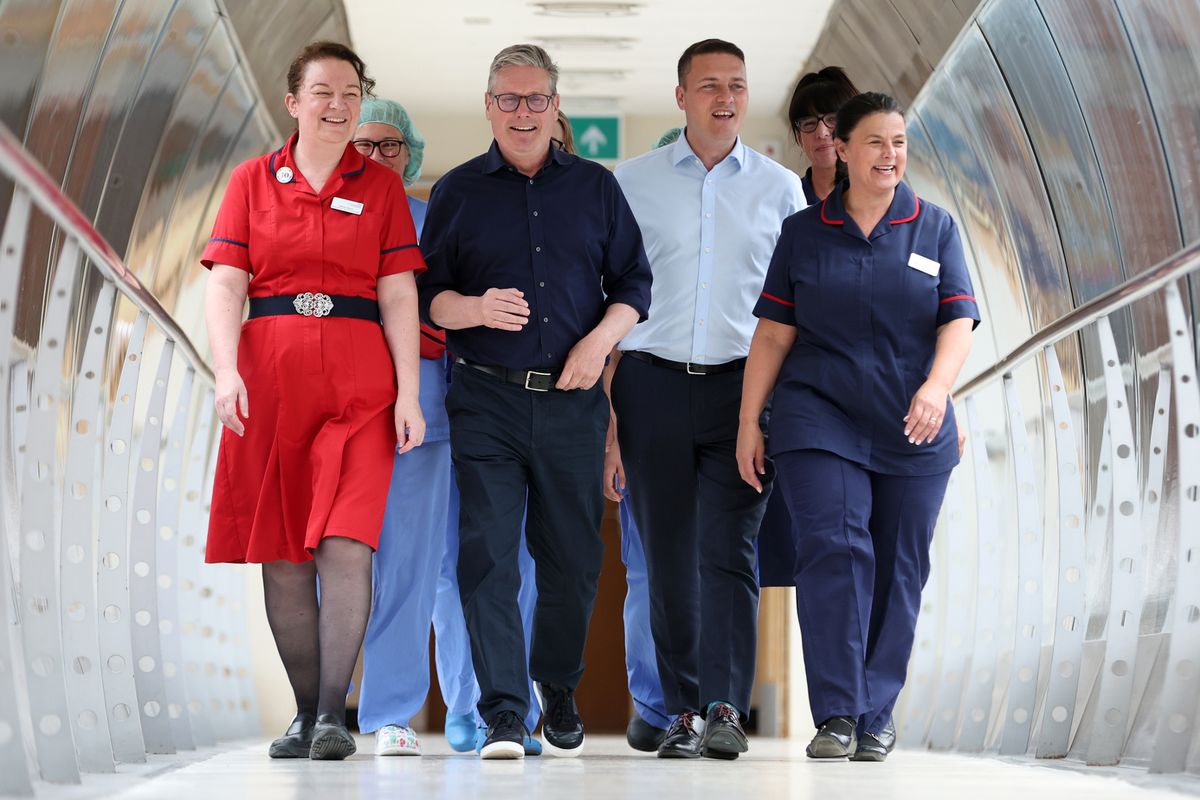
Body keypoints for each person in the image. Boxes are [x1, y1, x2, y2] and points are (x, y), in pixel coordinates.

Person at [417, 43, 652, 759]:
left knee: (575, 561)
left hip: (571, 401)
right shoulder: (456, 193)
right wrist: (476, 308)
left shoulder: (596, 188)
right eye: (510, 100)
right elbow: (428, 299)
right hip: (486, 399)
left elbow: (634, 287)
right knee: (485, 557)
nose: (524, 113)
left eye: (537, 99)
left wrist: (597, 345)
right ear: (489, 106)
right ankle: (504, 715)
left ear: (556, 107)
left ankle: (557, 684)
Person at [737, 91, 978, 762]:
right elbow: (773, 336)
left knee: (901, 565)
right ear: (840, 149)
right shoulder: (804, 233)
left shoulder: (936, 228)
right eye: (875, 141)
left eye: (898, 141)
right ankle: (838, 711)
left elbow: (957, 321)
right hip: (819, 415)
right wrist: (748, 423)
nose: (890, 154)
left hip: (912, 417)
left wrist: (937, 387)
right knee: (835, 545)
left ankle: (877, 710)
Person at [201, 42, 425, 761]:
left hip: (362, 387)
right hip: (271, 379)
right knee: (286, 553)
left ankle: (335, 714)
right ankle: (303, 713)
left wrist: (409, 397)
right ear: (293, 103)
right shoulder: (251, 181)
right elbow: (226, 283)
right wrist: (225, 371)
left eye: (351, 92)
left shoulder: (381, 188)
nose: (339, 105)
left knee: (347, 546)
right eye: (324, 92)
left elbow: (398, 295)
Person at [607, 39, 806, 760]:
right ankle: (682, 710)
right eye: (710, 86)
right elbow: (611, 301)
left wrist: (766, 412)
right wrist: (608, 421)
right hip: (649, 382)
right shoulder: (631, 182)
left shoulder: (782, 189)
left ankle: (725, 707)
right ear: (682, 97)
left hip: (740, 389)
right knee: (663, 558)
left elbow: (788, 311)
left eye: (738, 86)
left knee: (730, 552)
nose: (725, 99)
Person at [787, 66, 859, 204]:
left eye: (833, 119)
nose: (821, 133)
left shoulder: (881, 200)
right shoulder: (789, 202)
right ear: (799, 137)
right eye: (808, 123)